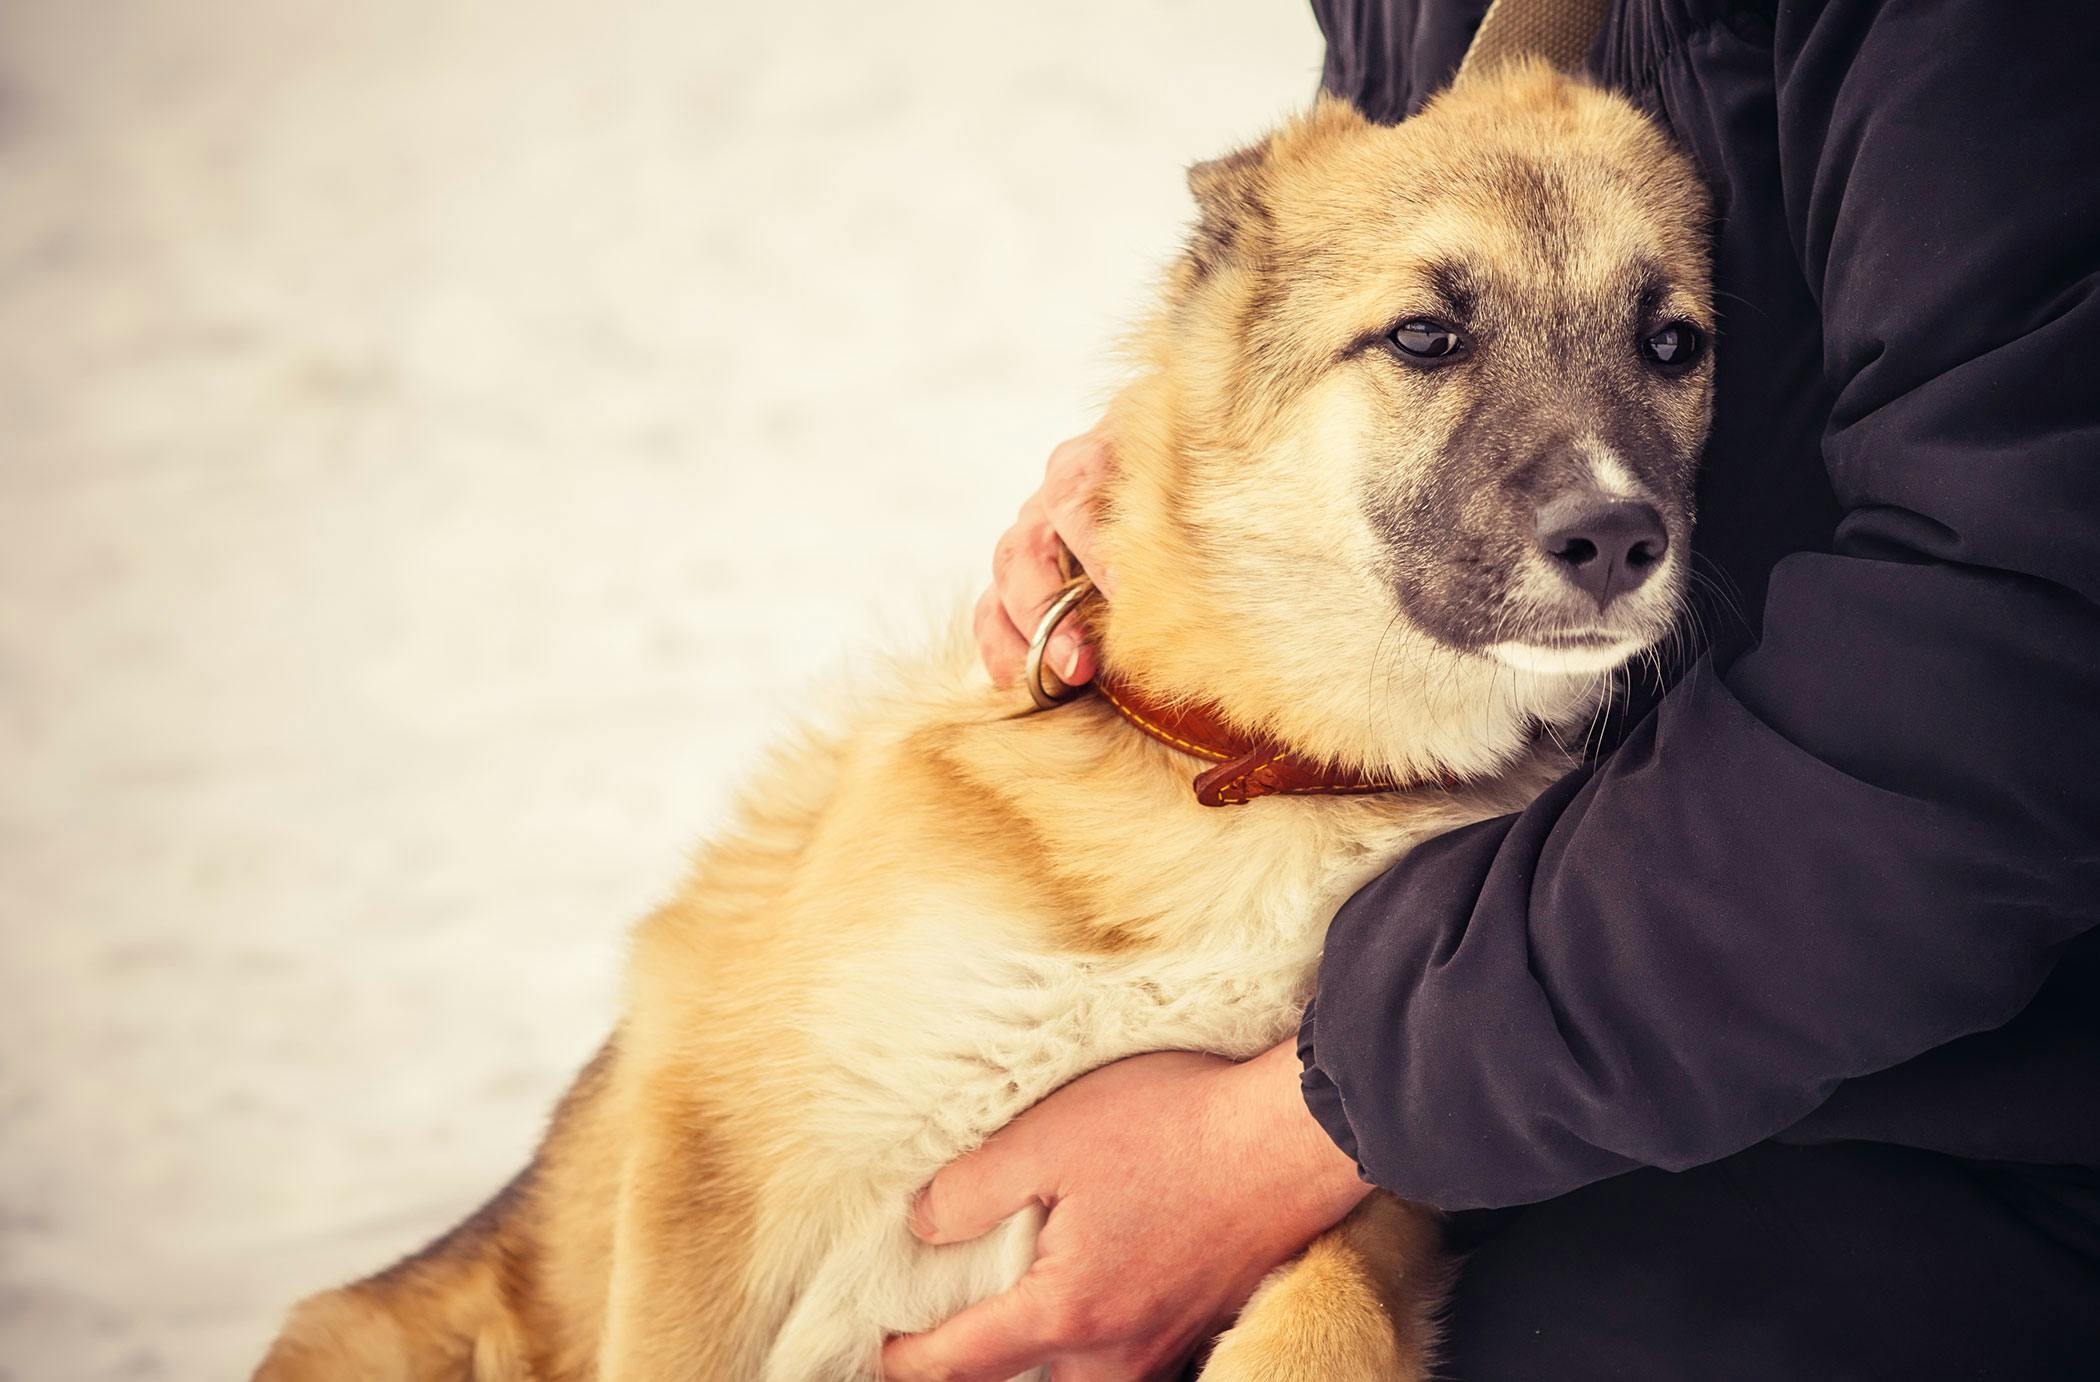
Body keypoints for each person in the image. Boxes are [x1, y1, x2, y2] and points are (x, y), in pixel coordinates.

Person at [882, 2, 2100, 1378]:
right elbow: (1366, 224)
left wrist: (1290, 1131)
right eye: (1432, 348)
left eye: (1669, 347)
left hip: (1947, 1089)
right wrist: (1182, 450)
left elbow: (2003, 695)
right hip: (1538, 983)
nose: (1607, 501)